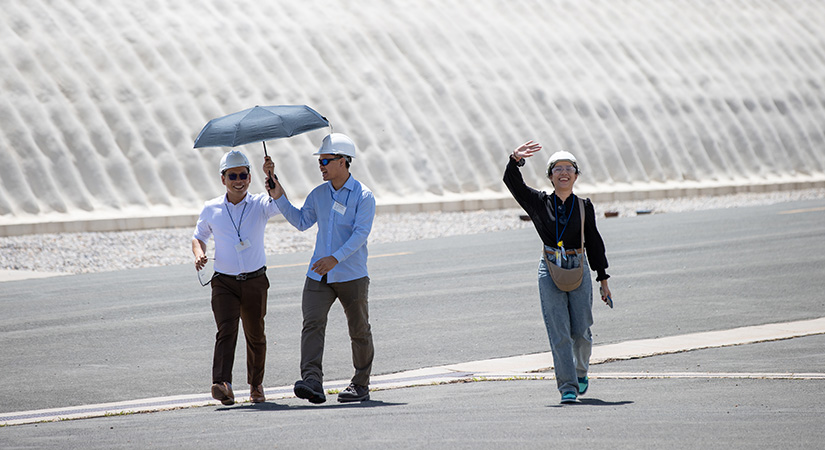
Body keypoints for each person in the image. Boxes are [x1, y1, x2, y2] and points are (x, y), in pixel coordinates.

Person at [265, 133, 376, 404]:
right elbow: (302, 221)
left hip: (351, 274)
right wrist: (278, 192)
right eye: (320, 161)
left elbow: (361, 234)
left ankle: (360, 384)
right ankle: (312, 381)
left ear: (344, 162)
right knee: (312, 325)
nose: (321, 165)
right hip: (318, 274)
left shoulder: (364, 196)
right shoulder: (319, 195)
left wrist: (335, 259)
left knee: (359, 330)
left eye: (326, 160)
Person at [503, 140, 612, 404]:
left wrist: (603, 278)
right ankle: (567, 387)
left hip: (579, 267)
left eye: (569, 168)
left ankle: (580, 371)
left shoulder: (585, 206)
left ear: (576, 175)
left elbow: (594, 241)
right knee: (559, 331)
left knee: (582, 330)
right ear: (550, 176)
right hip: (550, 268)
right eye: (557, 169)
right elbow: (512, 182)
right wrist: (515, 159)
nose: (563, 173)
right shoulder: (539, 203)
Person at [192, 150, 281, 406]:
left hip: (255, 280)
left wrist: (271, 175)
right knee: (226, 331)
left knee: (255, 335)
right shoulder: (211, 208)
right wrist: (199, 254)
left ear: (250, 177)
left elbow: (280, 200)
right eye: (233, 176)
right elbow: (199, 237)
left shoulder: (260, 204)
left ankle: (255, 385)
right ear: (223, 179)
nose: (238, 180)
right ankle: (223, 384)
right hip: (224, 281)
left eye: (243, 175)